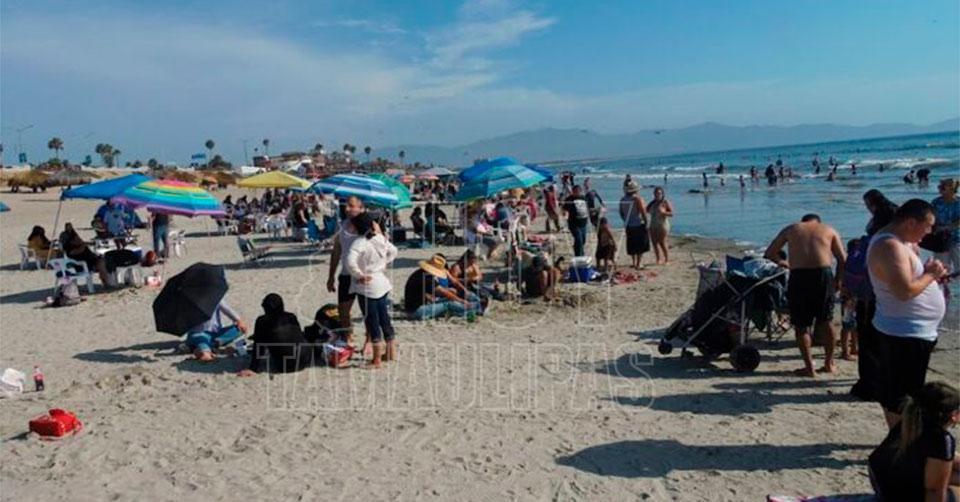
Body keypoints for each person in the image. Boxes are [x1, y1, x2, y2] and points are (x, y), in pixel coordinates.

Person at [867, 199, 948, 426]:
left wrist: (930, 275)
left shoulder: (901, 242)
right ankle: (902, 439)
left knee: (902, 391)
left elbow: (906, 280)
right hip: (904, 332)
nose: (929, 232)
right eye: (928, 226)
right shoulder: (890, 246)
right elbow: (903, 291)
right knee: (903, 395)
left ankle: (901, 437)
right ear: (911, 222)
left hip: (910, 330)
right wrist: (931, 275)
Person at [765, 214, 846, 377]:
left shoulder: (791, 229)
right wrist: (838, 280)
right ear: (818, 222)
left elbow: (770, 253)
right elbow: (842, 259)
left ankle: (809, 367)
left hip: (799, 275)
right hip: (823, 274)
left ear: (803, 222)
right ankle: (829, 363)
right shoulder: (829, 229)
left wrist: (783, 263)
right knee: (827, 320)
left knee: (801, 325)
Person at [868, 381, 960, 502]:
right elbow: (934, 490)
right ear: (954, 415)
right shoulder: (941, 440)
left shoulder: (909, 424)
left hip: (882, 486)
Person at [851, 189, 900, 402]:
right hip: (889, 291)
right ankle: (883, 380)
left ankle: (870, 383)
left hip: (870, 289)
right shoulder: (898, 234)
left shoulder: (876, 239)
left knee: (869, 337)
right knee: (885, 338)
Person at [346, 213, 399, 368]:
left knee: (372, 321)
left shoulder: (359, 242)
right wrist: (383, 264)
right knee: (384, 318)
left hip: (368, 285)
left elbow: (350, 261)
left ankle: (376, 360)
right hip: (381, 281)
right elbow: (394, 251)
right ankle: (391, 352)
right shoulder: (379, 238)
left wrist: (359, 275)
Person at [238, 293, 316, 376]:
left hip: (286, 366)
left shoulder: (262, 321)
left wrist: (253, 369)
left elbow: (259, 347)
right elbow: (296, 336)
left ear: (265, 308)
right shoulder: (291, 316)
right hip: (305, 359)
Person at [327, 196, 366, 343]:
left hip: (364, 275)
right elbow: (336, 251)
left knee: (367, 311)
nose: (347, 208)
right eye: (346, 206)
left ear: (361, 208)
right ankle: (348, 337)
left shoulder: (369, 226)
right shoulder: (342, 225)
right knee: (343, 310)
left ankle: (369, 340)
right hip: (346, 274)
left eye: (351, 206)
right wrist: (331, 276)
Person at [403, 254, 482, 320]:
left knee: (448, 300)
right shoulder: (427, 278)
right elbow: (444, 292)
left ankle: (473, 307)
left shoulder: (420, 273)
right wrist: (461, 300)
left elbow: (420, 291)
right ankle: (472, 309)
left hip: (414, 307)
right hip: (416, 311)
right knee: (448, 304)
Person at [932, 178, 960, 275]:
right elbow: (930, 219)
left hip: (956, 239)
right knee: (941, 270)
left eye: (943, 186)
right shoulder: (936, 202)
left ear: (952, 188)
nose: (939, 188)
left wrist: (946, 228)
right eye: (940, 186)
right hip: (940, 240)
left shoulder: (958, 202)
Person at [619, 181, 650, 269]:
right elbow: (642, 211)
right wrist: (646, 222)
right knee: (640, 244)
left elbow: (621, 212)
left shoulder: (623, 199)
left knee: (631, 243)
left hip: (629, 224)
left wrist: (626, 220)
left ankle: (633, 262)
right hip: (638, 223)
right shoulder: (637, 199)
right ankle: (638, 263)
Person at [839, 239, 861, 361]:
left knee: (849, 324)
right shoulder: (856, 260)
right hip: (853, 296)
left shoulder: (847, 261)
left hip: (847, 296)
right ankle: (848, 350)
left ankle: (850, 349)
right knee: (850, 325)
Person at [646, 186, 674, 265]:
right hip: (653, 224)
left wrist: (664, 212)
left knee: (662, 242)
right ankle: (658, 259)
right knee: (654, 243)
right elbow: (646, 210)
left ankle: (667, 259)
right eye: (656, 193)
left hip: (662, 225)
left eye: (659, 193)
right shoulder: (652, 203)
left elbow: (672, 213)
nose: (657, 195)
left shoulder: (665, 202)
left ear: (662, 194)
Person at [563, 185, 590, 257]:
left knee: (583, 240)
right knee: (579, 239)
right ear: (573, 191)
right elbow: (565, 209)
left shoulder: (584, 198)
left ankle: (580, 252)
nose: (577, 193)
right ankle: (578, 255)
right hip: (574, 223)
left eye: (578, 191)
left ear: (580, 191)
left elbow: (587, 208)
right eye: (575, 191)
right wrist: (565, 214)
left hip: (583, 223)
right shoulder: (569, 199)